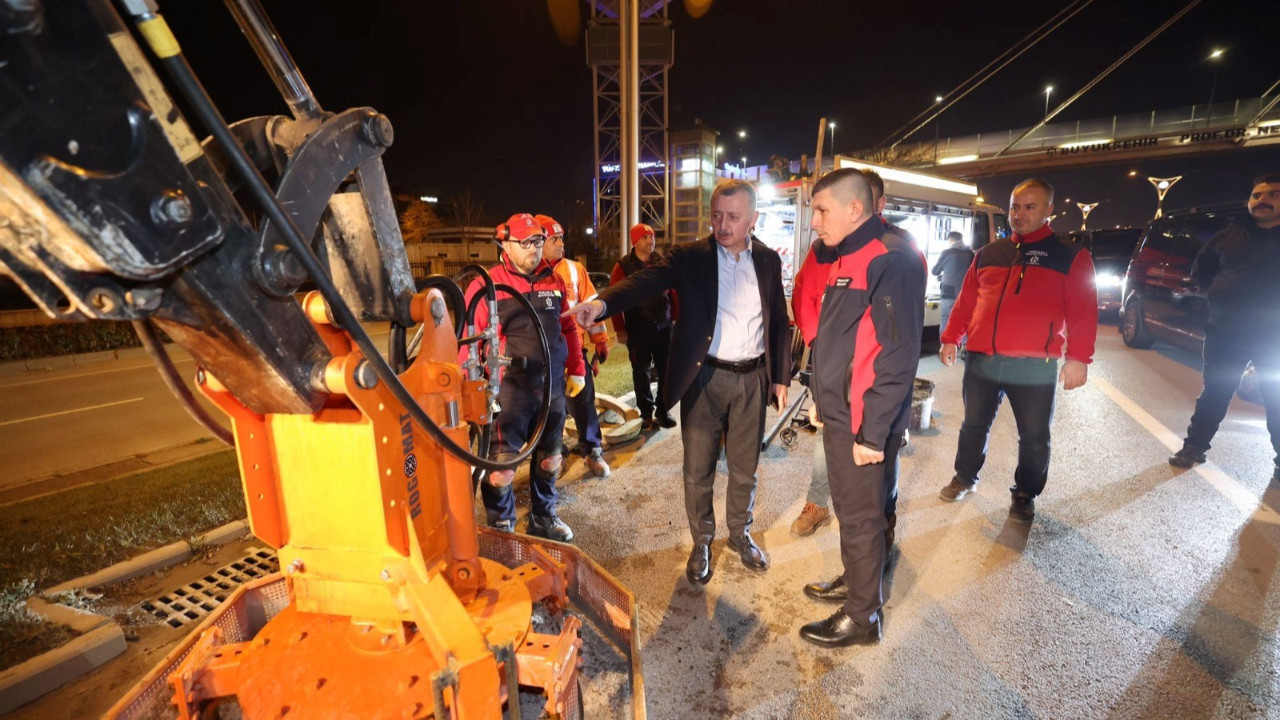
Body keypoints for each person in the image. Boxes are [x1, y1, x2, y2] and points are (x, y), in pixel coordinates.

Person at [565, 180, 791, 584]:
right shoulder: (690, 257)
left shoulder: (769, 261)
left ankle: (740, 534)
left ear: (753, 219)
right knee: (697, 469)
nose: (722, 225)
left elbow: (778, 320)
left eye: (733, 217)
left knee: (745, 469)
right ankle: (702, 540)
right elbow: (644, 282)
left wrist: (781, 377)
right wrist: (601, 304)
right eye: (716, 215)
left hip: (754, 379)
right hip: (704, 379)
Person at [793, 169, 925, 648]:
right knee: (861, 511)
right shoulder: (846, 254)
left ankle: (862, 618)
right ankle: (859, 584)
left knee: (860, 515)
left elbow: (897, 354)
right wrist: (823, 399)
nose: (815, 222)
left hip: (864, 417)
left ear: (855, 209)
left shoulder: (891, 258)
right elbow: (839, 340)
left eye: (822, 210)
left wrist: (871, 433)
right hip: (844, 410)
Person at [937, 179, 1097, 525]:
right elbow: (966, 303)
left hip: (1034, 367)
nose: (1018, 214)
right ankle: (965, 477)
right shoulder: (988, 254)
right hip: (982, 362)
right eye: (1014, 206)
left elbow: (1083, 311)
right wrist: (951, 337)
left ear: (1049, 211)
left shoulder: (1069, 255)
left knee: (1035, 438)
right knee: (973, 426)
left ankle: (1025, 494)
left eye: (1029, 207)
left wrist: (1078, 359)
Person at [464, 213, 586, 542]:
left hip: (551, 388)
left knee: (550, 459)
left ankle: (544, 518)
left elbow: (568, 327)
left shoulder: (553, 280)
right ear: (504, 243)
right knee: (502, 469)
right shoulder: (484, 286)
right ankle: (502, 530)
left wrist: (577, 367)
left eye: (538, 241)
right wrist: (471, 391)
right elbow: (469, 343)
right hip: (509, 390)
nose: (535, 249)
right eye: (526, 242)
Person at [1168, 175, 1280, 481]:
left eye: (1272, 194)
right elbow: (1201, 272)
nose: (1262, 200)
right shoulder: (1228, 236)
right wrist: (1218, 300)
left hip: (1274, 337)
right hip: (1226, 332)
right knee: (1215, 391)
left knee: (1276, 396)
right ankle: (1194, 447)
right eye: (1257, 195)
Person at [537, 214, 612, 480]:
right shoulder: (528, 271)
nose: (560, 243)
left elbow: (592, 310)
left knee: (583, 402)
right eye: (554, 239)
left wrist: (600, 342)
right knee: (549, 408)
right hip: (542, 356)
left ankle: (592, 450)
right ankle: (554, 453)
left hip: (574, 351)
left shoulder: (574, 269)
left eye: (561, 238)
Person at [610, 223, 677, 430]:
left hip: (664, 328)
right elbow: (615, 299)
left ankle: (663, 411)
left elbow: (674, 293)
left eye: (652, 237)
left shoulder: (662, 263)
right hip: (637, 329)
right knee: (641, 371)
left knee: (667, 371)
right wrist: (620, 328)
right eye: (646, 238)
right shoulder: (623, 266)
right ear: (635, 242)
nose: (651, 241)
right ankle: (646, 413)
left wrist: (675, 319)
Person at [932, 230, 975, 331]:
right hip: (965, 294)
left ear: (951, 240)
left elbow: (935, 271)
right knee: (963, 321)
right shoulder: (970, 253)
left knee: (946, 320)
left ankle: (945, 345)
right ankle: (962, 345)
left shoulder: (947, 253)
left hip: (949, 293)